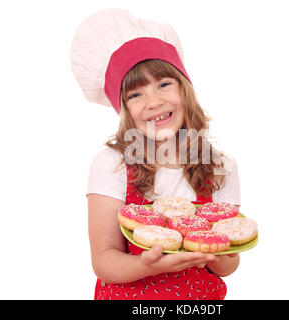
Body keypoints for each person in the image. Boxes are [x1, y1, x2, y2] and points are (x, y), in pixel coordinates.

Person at [70, 9, 241, 300]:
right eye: (135, 94)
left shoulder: (221, 166)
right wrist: (146, 264)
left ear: (185, 89)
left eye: (164, 84)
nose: (154, 102)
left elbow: (229, 264)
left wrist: (215, 251)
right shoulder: (112, 165)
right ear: (123, 110)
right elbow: (104, 260)